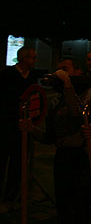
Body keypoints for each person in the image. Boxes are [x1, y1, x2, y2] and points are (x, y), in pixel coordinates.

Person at [20, 58, 91, 224]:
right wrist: (31, 129)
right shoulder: (56, 100)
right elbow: (50, 136)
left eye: (64, 69)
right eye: (58, 70)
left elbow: (77, 114)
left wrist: (68, 85)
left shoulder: (88, 92)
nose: (60, 74)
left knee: (79, 202)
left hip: (80, 155)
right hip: (62, 154)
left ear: (77, 72)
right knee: (63, 200)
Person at [0, 46, 39, 213]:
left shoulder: (32, 77)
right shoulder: (7, 75)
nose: (34, 61)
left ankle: (12, 197)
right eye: (32, 58)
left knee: (19, 163)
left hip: (23, 127)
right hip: (7, 126)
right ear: (24, 58)